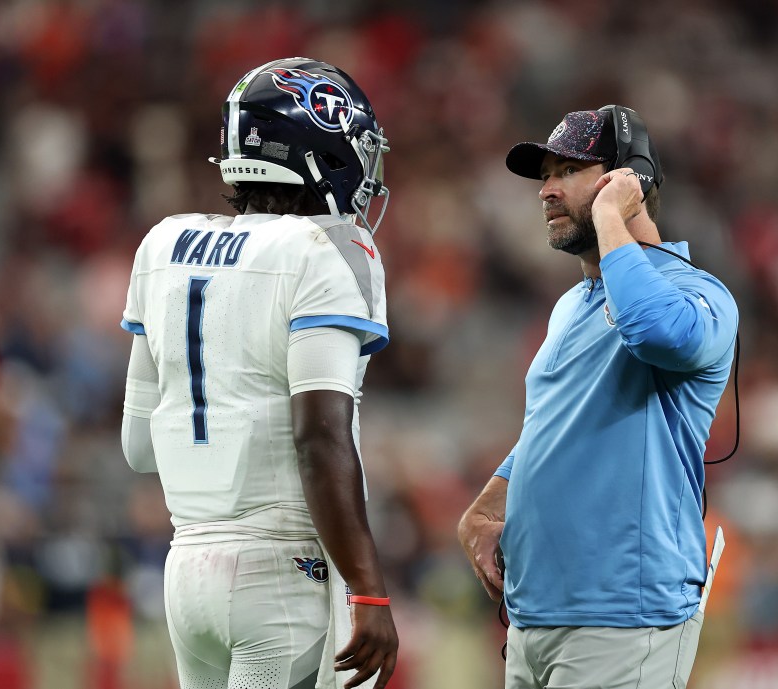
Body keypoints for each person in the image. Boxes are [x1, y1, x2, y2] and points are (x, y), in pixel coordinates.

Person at [119, 57, 397, 689]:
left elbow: (139, 447)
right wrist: (370, 590)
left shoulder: (162, 245)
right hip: (282, 574)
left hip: (184, 569)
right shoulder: (324, 251)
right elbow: (319, 438)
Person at [458, 107, 738, 688]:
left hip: (624, 616)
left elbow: (653, 331)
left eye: (567, 171)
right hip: (536, 616)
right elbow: (555, 421)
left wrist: (612, 212)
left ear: (630, 179)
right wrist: (491, 501)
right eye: (545, 175)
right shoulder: (571, 304)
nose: (546, 190)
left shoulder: (697, 294)